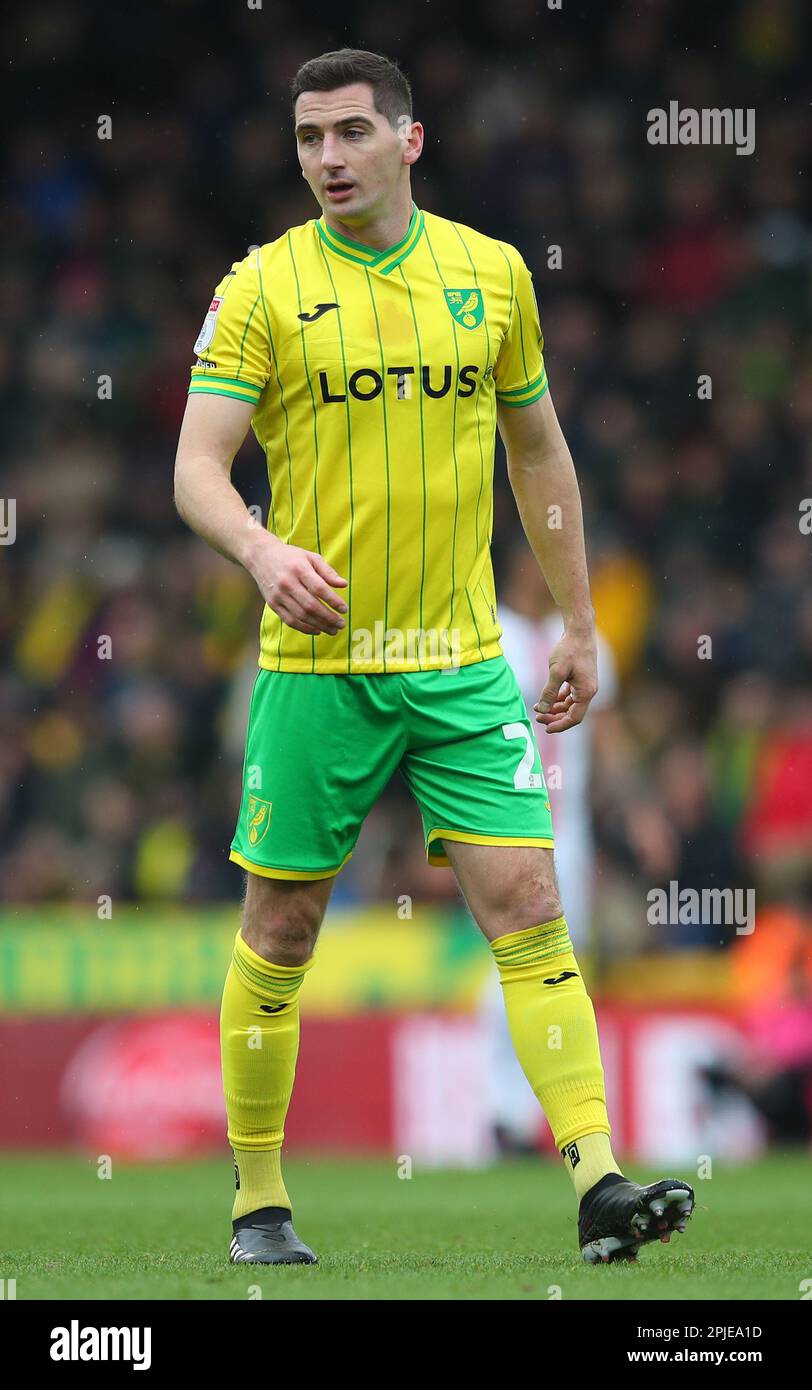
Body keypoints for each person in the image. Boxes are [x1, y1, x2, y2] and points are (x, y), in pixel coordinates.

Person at [173, 46, 694, 1266]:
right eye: (307, 139)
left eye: (350, 133)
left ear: (409, 140)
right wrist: (259, 553)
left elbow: (540, 453)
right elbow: (196, 468)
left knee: (528, 901)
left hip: (460, 662)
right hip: (318, 668)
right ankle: (257, 1198)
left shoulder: (489, 275)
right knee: (284, 925)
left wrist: (573, 621)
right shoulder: (259, 286)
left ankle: (598, 1179)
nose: (327, 160)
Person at [482, 543, 620, 1151]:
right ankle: (505, 1111)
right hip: (507, 826)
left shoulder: (587, 644)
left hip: (574, 837)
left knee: (567, 963)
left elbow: (609, 737)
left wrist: (640, 817)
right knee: (516, 958)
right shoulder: (488, 636)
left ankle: (557, 1118)